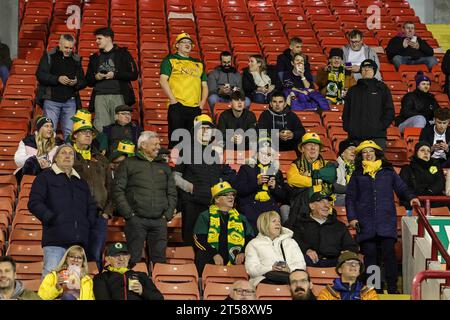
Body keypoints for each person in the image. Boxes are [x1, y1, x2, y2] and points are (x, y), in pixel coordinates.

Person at [346, 140, 419, 293]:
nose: (368, 154)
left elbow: (402, 187)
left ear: (376, 153)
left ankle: (392, 289)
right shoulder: (357, 174)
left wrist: (411, 197)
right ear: (361, 156)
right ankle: (375, 290)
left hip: (386, 221)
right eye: (365, 152)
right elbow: (350, 198)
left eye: (371, 151)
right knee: (371, 256)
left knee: (389, 255)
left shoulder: (388, 171)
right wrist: (352, 218)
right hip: (365, 223)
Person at [28, 144, 97, 276]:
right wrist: (51, 218)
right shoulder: (45, 177)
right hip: (55, 239)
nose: (67, 156)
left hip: (78, 243)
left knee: (74, 286)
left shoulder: (81, 182)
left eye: (71, 153)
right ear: (55, 158)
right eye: (63, 153)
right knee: (52, 280)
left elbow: (91, 206)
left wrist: (88, 223)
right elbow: (34, 203)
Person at [113, 131, 177, 267]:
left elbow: (172, 192)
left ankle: (156, 288)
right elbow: (118, 190)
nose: (159, 147)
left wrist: (168, 214)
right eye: (155, 144)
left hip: (160, 221)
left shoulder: (164, 166)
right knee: (134, 259)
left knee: (160, 261)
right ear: (143, 145)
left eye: (159, 144)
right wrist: (129, 214)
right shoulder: (128, 163)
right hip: (136, 220)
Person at [174, 114, 237, 245]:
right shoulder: (185, 149)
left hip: (211, 204)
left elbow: (218, 177)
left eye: (208, 129)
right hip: (192, 203)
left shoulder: (214, 153)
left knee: (210, 241)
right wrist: (191, 188)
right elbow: (175, 176)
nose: (205, 131)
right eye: (202, 128)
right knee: (191, 240)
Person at [71, 119, 113, 270]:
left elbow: (111, 187)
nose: (88, 135)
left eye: (90, 133)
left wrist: (107, 212)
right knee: (76, 255)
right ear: (75, 135)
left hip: (99, 214)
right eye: (84, 132)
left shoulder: (101, 159)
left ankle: (94, 290)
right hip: (77, 214)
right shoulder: (68, 157)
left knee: (96, 255)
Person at [193, 181, 254, 275]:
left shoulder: (241, 218)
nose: (231, 197)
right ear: (217, 199)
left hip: (237, 256)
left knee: (251, 256)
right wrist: (214, 254)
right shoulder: (205, 216)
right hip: (212, 256)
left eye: (232, 195)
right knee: (202, 255)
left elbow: (250, 238)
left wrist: (243, 252)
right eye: (226, 195)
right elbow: (199, 239)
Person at [160, 32, 208, 148]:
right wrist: (173, 100)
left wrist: (202, 103)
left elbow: (205, 85)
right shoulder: (170, 60)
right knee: (176, 141)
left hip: (195, 107)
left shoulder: (198, 63)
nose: (187, 44)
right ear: (177, 45)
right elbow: (163, 80)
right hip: (178, 105)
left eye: (189, 42)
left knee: (193, 143)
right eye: (184, 42)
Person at [86, 27, 138, 132]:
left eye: (99, 39)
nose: (96, 41)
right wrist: (96, 77)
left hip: (118, 95)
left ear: (108, 38)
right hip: (100, 96)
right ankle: (103, 149)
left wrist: (115, 75)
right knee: (101, 128)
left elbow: (133, 74)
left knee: (120, 126)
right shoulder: (95, 57)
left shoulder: (123, 53)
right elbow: (88, 80)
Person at [36, 34, 87, 140]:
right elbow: (40, 75)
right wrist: (57, 79)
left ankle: (68, 155)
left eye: (71, 48)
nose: (68, 50)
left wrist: (76, 83)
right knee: (49, 132)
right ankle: (48, 155)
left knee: (70, 132)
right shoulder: (49, 56)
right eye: (66, 47)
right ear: (59, 44)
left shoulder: (76, 59)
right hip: (51, 100)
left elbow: (83, 81)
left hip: (70, 101)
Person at [286, 133, 337, 230]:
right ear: (303, 149)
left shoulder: (327, 164)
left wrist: (310, 175)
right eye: (309, 145)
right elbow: (293, 179)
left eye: (316, 145)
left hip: (325, 203)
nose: (313, 148)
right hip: (303, 205)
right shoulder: (295, 165)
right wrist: (316, 181)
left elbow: (331, 176)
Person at [234, 138, 289, 229]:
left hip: (270, 207)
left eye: (269, 154)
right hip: (250, 207)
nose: (265, 157)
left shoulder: (277, 172)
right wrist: (256, 183)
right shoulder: (246, 168)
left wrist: (275, 187)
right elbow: (239, 190)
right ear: (256, 154)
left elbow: (283, 197)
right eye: (262, 153)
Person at [292, 192, 358, 267]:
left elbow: (351, 246)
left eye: (328, 202)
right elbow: (294, 241)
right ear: (312, 206)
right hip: (309, 261)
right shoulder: (300, 224)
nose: (326, 206)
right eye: (322, 202)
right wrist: (307, 250)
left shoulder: (339, 226)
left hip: (335, 262)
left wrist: (347, 252)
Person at [343, 59, 394, 149]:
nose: (366, 70)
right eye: (364, 68)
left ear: (374, 71)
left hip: (377, 137)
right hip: (355, 138)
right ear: (361, 71)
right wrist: (349, 128)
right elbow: (346, 112)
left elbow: (389, 110)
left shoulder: (382, 88)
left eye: (369, 67)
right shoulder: (352, 90)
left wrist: (380, 127)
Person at [245, 211, 305, 287]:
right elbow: (251, 270)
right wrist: (271, 268)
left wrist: (289, 269)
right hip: (263, 281)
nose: (278, 223)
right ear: (264, 224)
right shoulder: (253, 244)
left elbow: (301, 264)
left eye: (279, 221)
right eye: (274, 221)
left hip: (288, 279)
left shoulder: (291, 242)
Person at [93, 242, 164, 300]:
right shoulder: (101, 278)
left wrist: (143, 291)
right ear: (107, 259)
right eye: (116, 255)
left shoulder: (142, 275)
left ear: (129, 257)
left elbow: (159, 298)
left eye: (124, 255)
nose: (121, 259)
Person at [400, 141, 447, 209]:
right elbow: (404, 187)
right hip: (415, 200)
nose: (426, 153)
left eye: (428, 151)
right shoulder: (407, 169)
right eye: (422, 150)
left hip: (433, 199)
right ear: (416, 153)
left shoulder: (436, 166)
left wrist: (430, 192)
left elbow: (440, 182)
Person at [14, 117, 62, 182]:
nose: (50, 129)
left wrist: (49, 164)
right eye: (46, 126)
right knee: (32, 162)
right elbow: (18, 160)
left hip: (50, 176)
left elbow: (63, 162)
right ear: (39, 129)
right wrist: (37, 159)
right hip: (29, 174)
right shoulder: (27, 141)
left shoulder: (58, 143)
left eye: (51, 126)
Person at [334, 139, 357, 206]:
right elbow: (334, 187)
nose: (353, 151)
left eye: (355, 149)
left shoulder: (357, 167)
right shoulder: (335, 166)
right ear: (342, 153)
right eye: (350, 149)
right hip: (338, 197)